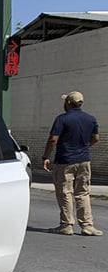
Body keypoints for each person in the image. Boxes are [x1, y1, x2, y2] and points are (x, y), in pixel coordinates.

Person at [42, 91, 102, 236]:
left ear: (68, 103)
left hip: (65, 161)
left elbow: (53, 139)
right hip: (84, 160)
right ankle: (87, 226)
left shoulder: (62, 119)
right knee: (83, 192)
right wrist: (84, 148)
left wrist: (46, 156)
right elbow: (95, 138)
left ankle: (66, 225)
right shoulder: (91, 119)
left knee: (65, 192)